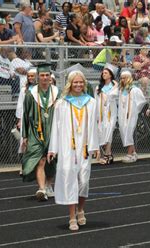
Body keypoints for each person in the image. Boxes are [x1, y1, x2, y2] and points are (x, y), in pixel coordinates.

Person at [48, 70, 99, 231]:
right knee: (70, 180)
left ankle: (81, 208)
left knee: (84, 182)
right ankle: (71, 217)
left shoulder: (91, 102)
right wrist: (53, 149)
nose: (78, 85)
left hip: (84, 148)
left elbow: (94, 126)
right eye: (75, 82)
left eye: (81, 82)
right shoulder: (62, 103)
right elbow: (55, 128)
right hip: (67, 148)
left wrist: (95, 145)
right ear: (70, 83)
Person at [22, 63, 60, 201]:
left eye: (47, 75)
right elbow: (26, 114)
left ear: (50, 77)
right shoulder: (30, 94)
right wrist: (25, 136)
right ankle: (42, 188)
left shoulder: (57, 92)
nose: (44, 78)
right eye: (42, 75)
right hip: (35, 131)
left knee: (52, 160)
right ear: (38, 77)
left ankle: (49, 185)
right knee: (40, 160)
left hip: (53, 131)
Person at [118, 70, 147, 163]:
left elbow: (142, 101)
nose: (123, 80)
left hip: (131, 115)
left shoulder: (134, 90)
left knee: (128, 133)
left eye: (125, 78)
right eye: (122, 78)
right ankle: (134, 153)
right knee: (123, 132)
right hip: (122, 114)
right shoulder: (122, 90)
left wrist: (135, 110)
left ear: (129, 78)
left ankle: (129, 154)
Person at [95, 67, 119, 165]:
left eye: (106, 73)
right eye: (103, 73)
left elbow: (112, 96)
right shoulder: (98, 87)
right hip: (101, 113)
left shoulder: (114, 86)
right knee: (103, 133)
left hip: (111, 112)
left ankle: (106, 154)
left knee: (109, 132)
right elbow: (96, 101)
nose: (103, 74)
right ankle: (109, 154)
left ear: (110, 75)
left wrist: (115, 86)